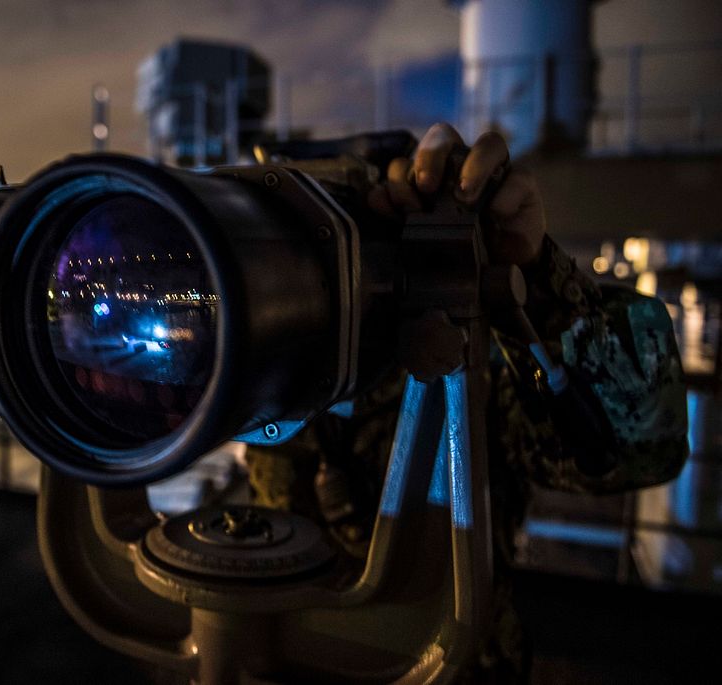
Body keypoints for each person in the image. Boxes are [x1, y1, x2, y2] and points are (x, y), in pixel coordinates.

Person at [244, 123, 689, 683]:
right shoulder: (278, 366)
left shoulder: (471, 366)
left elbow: (638, 446)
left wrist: (531, 277)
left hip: (457, 664)